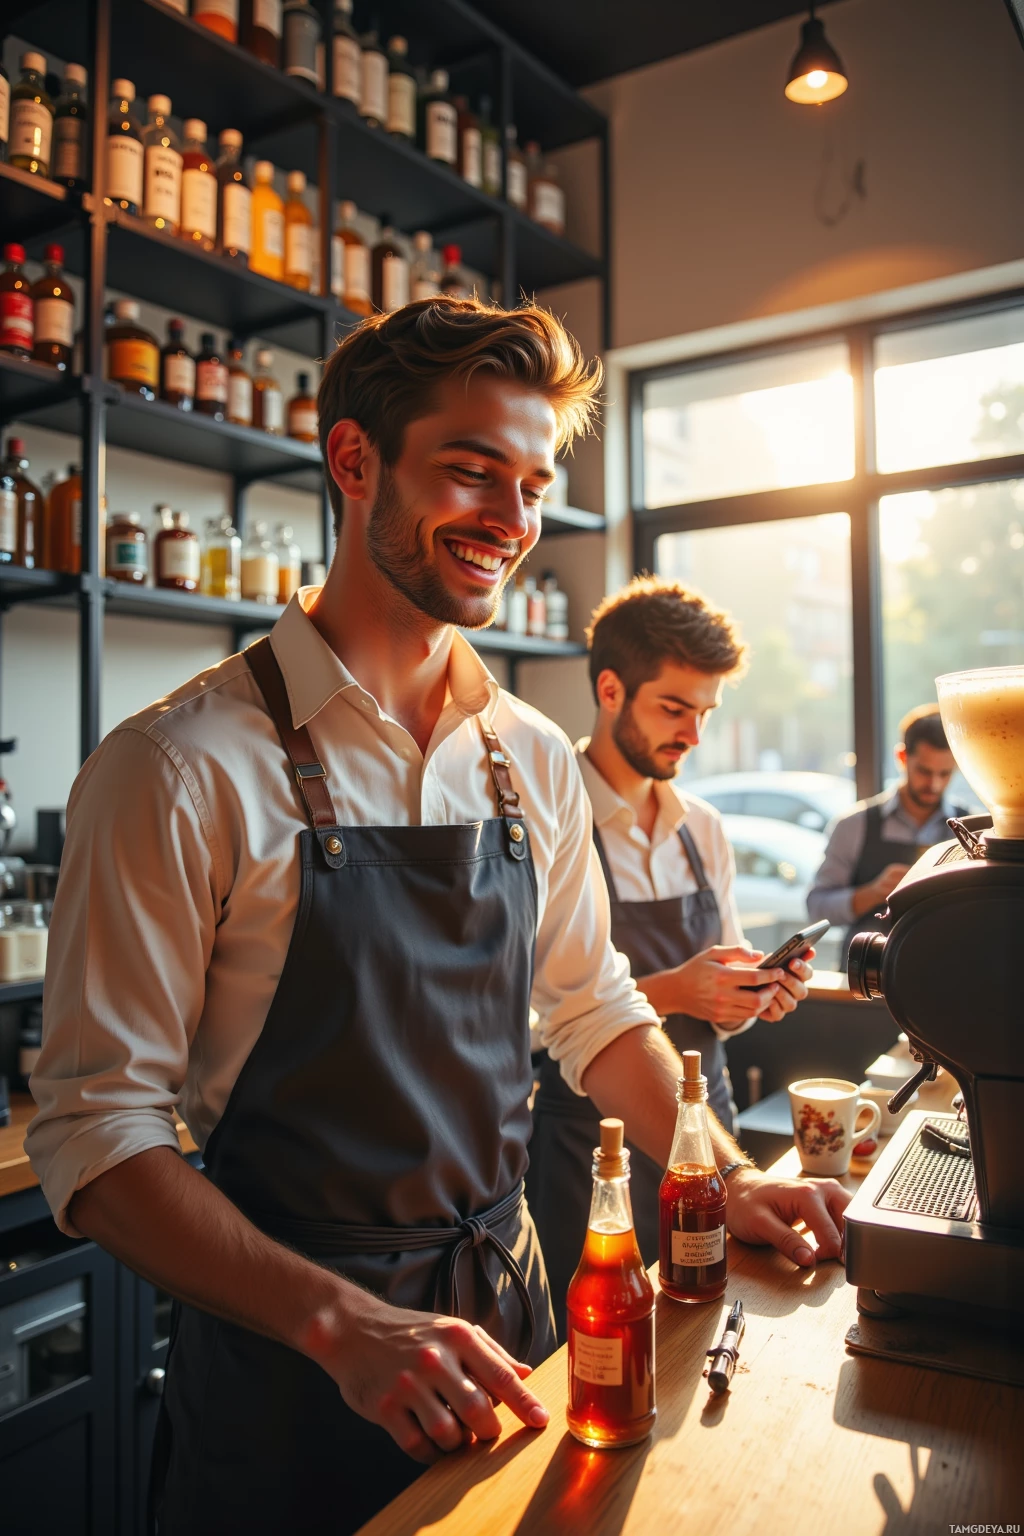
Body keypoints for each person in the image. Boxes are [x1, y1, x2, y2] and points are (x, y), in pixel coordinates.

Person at [26, 297, 850, 1536]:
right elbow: (97, 1140)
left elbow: (594, 1008)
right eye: (474, 475)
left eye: (531, 485)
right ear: (353, 460)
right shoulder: (179, 767)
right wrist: (340, 1325)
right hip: (293, 1367)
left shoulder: (526, 757)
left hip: (513, 1319)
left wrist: (713, 1177)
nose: (513, 524)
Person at [526, 576, 817, 1316]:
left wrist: (751, 995)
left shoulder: (704, 828)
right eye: (674, 708)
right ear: (611, 689)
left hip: (707, 1123)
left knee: (708, 1320)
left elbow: (721, 1006)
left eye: (705, 713)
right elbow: (520, 1020)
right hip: (590, 1150)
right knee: (599, 1339)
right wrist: (677, 991)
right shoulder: (548, 824)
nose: (692, 733)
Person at [807, 703, 964, 961]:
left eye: (944, 774)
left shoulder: (970, 829)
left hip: (944, 973)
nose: (934, 785)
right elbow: (816, 908)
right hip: (866, 978)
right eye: (924, 771)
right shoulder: (853, 826)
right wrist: (873, 892)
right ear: (902, 758)